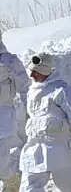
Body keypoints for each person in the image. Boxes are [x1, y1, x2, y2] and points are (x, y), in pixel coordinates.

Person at [19, 53, 71, 192]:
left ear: (45, 70)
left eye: (35, 71)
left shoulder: (62, 90)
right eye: (31, 71)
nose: (32, 75)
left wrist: (62, 130)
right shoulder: (32, 91)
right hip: (35, 146)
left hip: (57, 147)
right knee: (29, 186)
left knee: (69, 186)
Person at [0, 33, 29, 192]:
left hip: (3, 114)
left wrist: (30, 110)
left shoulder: (9, 61)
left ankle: (11, 181)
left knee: (0, 155)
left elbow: (25, 87)